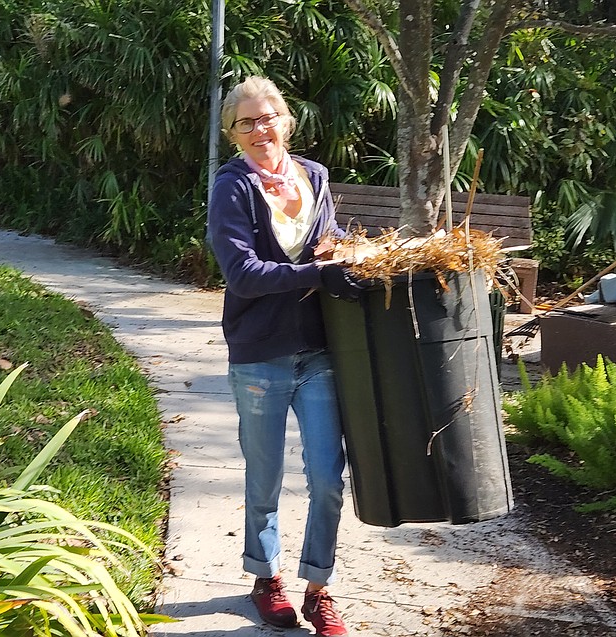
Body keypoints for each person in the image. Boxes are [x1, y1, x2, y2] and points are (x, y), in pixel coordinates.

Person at [206, 76, 366, 637]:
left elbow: (326, 237)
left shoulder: (314, 176)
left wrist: (352, 254)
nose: (258, 130)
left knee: (327, 477)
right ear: (232, 134)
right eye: (244, 123)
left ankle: (319, 589)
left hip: (320, 350)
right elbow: (243, 274)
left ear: (286, 121)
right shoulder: (232, 186)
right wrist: (319, 273)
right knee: (265, 478)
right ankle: (264, 578)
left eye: (266, 117)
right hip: (259, 355)